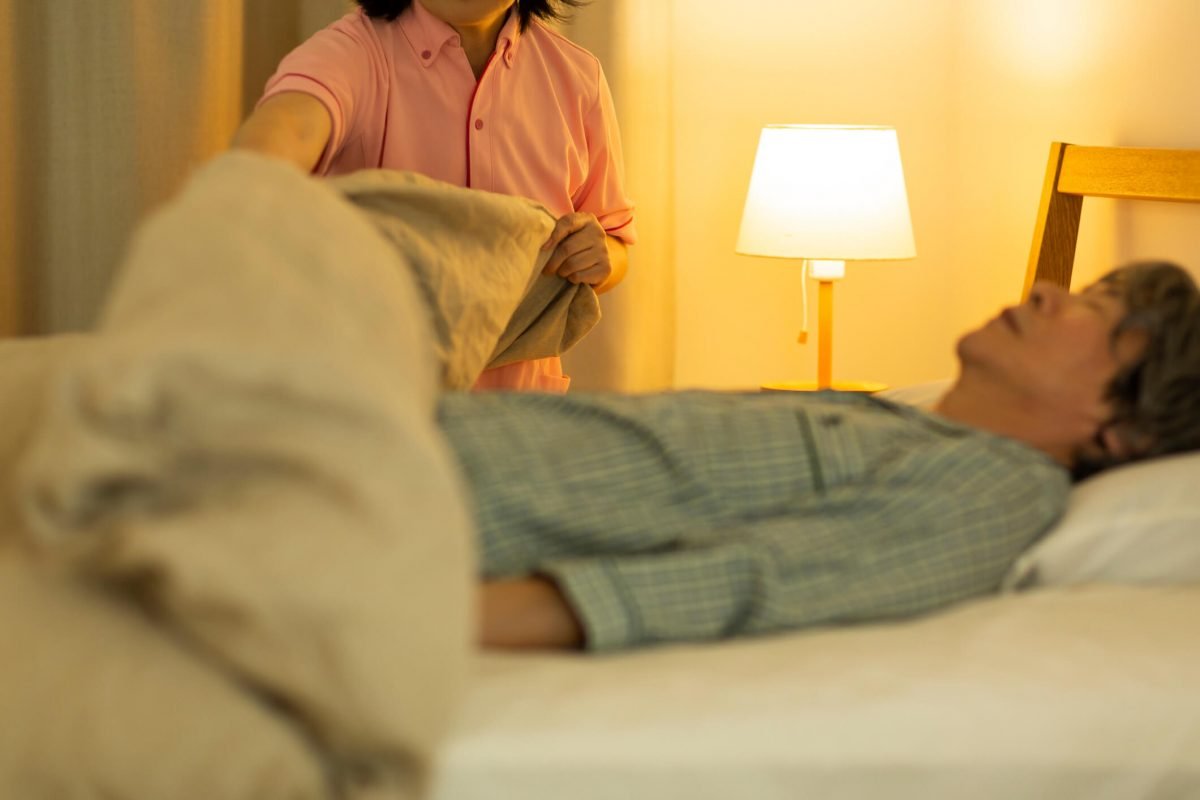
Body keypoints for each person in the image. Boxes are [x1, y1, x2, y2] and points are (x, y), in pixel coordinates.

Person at [442, 262, 1200, 652]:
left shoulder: (1001, 491)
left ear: (1123, 433)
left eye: (1094, 310)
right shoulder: (907, 426)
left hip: (425, 495)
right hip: (429, 435)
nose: (1045, 292)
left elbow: (740, 582)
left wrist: (412, 619)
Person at [231, 0, 636, 392]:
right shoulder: (352, 52)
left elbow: (615, 242)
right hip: (381, 403)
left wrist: (598, 257)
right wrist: (246, 181)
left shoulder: (578, 76)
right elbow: (289, 129)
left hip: (521, 404)